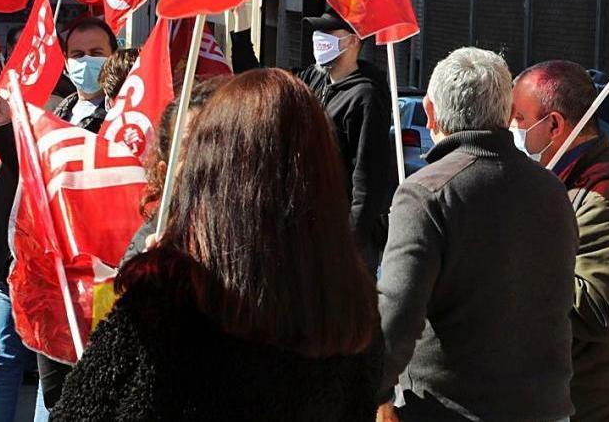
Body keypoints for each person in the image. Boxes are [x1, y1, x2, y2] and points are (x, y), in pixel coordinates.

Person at [52, 69, 381, 421]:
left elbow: (80, 411)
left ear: (211, 172)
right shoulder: (352, 310)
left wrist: (155, 275)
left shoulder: (171, 300)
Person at [379, 47, 578, 422]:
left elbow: (396, 314)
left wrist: (375, 392)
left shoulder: (426, 192)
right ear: (506, 115)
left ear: (430, 112)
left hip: (450, 408)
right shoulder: (552, 190)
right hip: (544, 408)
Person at [0, 16, 119, 421]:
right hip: (32, 265)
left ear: (114, 56)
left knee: (68, 375)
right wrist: (4, 126)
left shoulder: (125, 121)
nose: (85, 63)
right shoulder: (53, 112)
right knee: (25, 365)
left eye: (96, 54)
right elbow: (23, 171)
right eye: (76, 55)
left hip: (86, 275)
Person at [512, 61, 609, 422]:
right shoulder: (564, 180)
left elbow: (601, 311)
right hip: (573, 396)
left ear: (554, 125)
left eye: (519, 118)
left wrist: (511, 264)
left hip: (602, 403)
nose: (512, 129)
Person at [298, 10, 393, 273]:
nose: (319, 39)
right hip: (313, 229)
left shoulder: (366, 97)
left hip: (345, 240)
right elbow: (270, 89)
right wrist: (241, 36)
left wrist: (348, 241)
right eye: (318, 32)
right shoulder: (314, 79)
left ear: (353, 41)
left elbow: (367, 178)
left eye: (329, 33)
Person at [120, 76, 228, 266]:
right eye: (189, 146)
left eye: (214, 142)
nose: (204, 158)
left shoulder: (259, 230)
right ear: (165, 172)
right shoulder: (150, 239)